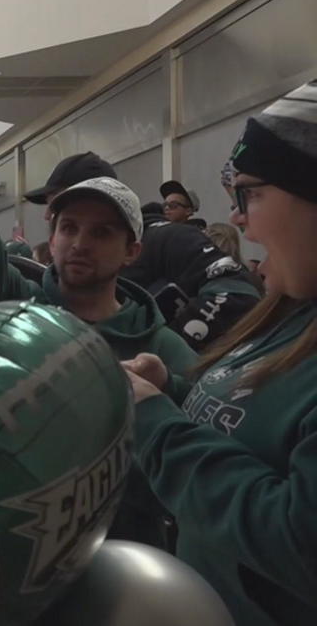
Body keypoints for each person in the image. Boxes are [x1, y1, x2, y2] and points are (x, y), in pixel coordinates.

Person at [0, 67, 195, 550]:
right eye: (69, 227)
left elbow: (198, 451)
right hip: (10, 553)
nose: (80, 243)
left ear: (132, 251)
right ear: (52, 232)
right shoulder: (17, 312)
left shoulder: (161, 349)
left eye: (101, 232)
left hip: (124, 561)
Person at [124, 80, 317, 626]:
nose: (236, 218)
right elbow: (257, 425)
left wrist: (157, 427)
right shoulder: (294, 313)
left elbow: (299, 544)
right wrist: (173, 392)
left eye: (250, 193)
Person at [122, 202, 262, 350]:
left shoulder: (173, 238)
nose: (169, 209)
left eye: (174, 205)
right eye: (167, 205)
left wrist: (163, 348)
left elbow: (238, 296)